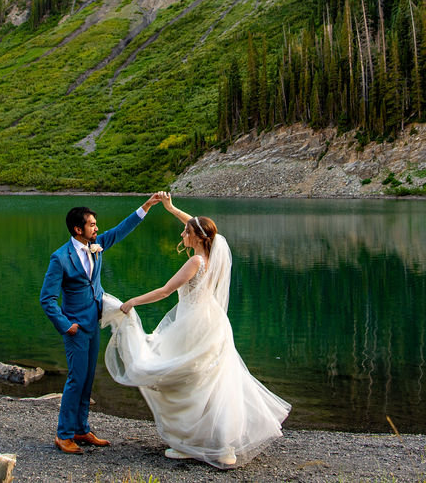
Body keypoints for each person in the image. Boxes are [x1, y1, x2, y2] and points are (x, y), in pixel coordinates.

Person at [101, 193, 291, 469]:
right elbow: (197, 224)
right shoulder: (216, 254)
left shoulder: (196, 262)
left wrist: (132, 301)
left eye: (186, 232)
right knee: (210, 381)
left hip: (193, 325)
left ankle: (194, 442)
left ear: (197, 238)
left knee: (188, 380)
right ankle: (218, 443)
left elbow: (166, 291)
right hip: (214, 324)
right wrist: (170, 208)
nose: (182, 233)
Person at [40, 194, 161, 455]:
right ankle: (63, 435)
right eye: (92, 225)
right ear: (78, 229)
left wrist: (147, 206)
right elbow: (47, 299)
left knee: (87, 379)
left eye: (96, 224)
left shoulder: (97, 244)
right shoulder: (60, 258)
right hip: (75, 328)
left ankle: (81, 429)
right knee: (75, 378)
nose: (97, 228)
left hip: (95, 322)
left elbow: (120, 231)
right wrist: (65, 325)